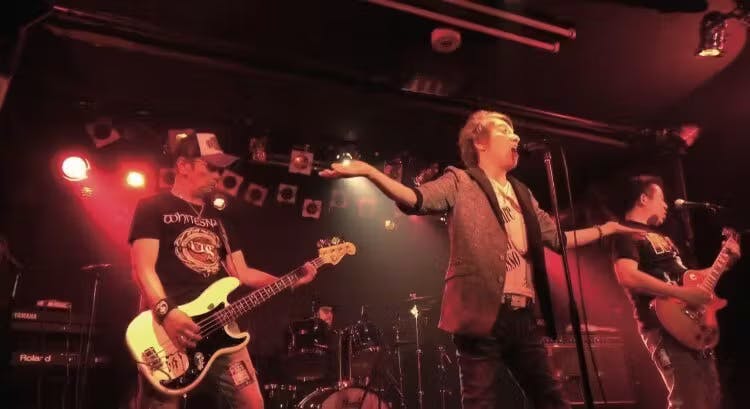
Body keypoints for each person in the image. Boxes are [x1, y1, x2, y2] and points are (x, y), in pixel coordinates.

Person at [320, 110, 641, 409]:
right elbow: (416, 199)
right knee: (480, 401)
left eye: (514, 131)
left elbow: (559, 239)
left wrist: (607, 229)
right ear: (480, 142)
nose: (515, 137)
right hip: (479, 310)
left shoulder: (523, 194)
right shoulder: (461, 181)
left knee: (551, 398)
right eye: (504, 130)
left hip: (522, 316)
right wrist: (370, 172)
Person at [128, 131, 318, 409]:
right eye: (211, 167)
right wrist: (168, 313)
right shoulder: (153, 207)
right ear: (183, 165)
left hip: (221, 326)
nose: (218, 175)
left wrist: (289, 280)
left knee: (252, 404)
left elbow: (242, 273)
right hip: (167, 327)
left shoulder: (220, 221)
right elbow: (142, 269)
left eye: (221, 169)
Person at [610, 175, 740, 409]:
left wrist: (724, 262)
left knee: (711, 398)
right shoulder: (626, 232)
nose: (666, 205)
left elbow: (690, 279)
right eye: (660, 199)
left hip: (692, 325)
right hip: (663, 325)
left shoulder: (664, 238)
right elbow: (627, 276)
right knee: (688, 399)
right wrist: (682, 295)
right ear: (643, 198)